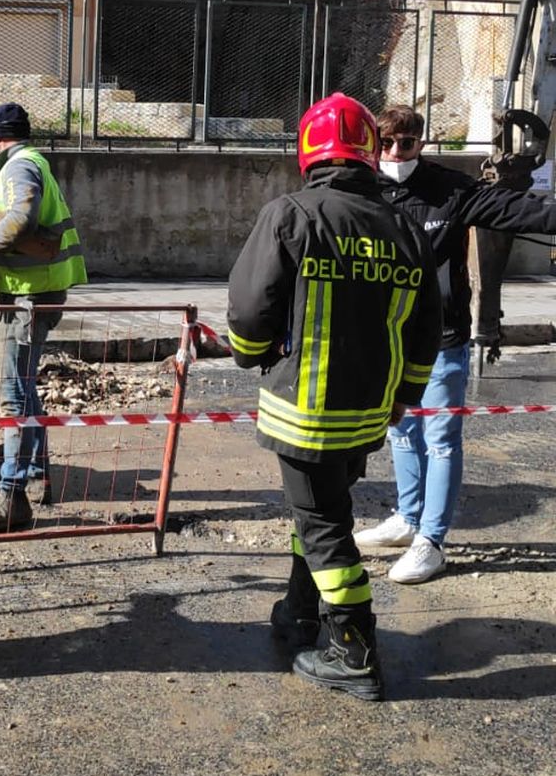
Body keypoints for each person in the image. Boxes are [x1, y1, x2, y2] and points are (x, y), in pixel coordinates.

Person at [227, 92, 441, 701]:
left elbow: (248, 312)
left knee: (324, 525)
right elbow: (426, 328)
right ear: (371, 153)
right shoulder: (403, 225)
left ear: (309, 152)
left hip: (303, 413)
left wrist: (250, 353)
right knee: (321, 510)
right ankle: (301, 610)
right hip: (370, 411)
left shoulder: (291, 215)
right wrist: (405, 395)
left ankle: (354, 649)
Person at [355, 104, 556, 583]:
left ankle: (432, 540)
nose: (395, 152)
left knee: (441, 438)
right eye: (385, 144)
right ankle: (407, 518)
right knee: (401, 430)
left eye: (406, 143)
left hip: (442, 338)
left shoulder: (449, 189)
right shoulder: (362, 191)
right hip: (386, 339)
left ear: (421, 143)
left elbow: (518, 210)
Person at [0, 102, 87, 533]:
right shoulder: (28, 162)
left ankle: (12, 498)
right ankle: (36, 476)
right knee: (23, 387)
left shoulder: (20, 167)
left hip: (29, 298)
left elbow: (22, 217)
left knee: (11, 394)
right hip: (33, 293)